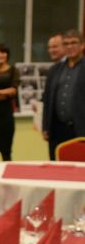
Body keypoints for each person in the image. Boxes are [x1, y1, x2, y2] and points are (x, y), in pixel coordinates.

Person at [42, 29, 85, 159]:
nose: (70, 46)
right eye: (66, 44)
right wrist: (45, 126)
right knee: (57, 165)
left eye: (74, 43)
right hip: (57, 129)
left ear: (82, 45)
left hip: (80, 128)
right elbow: (47, 100)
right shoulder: (54, 70)